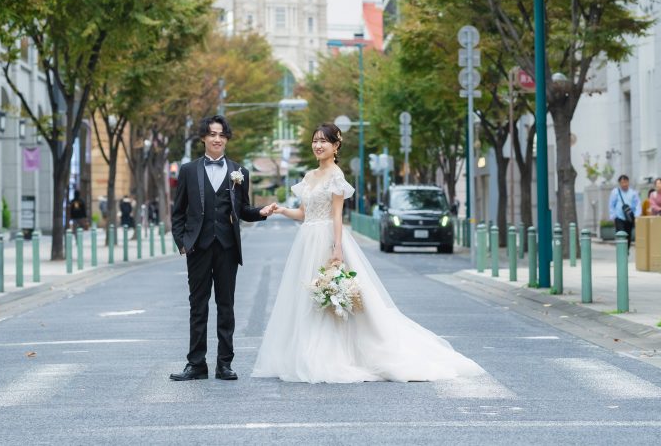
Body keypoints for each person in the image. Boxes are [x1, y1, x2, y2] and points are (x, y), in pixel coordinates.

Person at [252, 123, 483, 383]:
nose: (318, 145)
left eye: (324, 141)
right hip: (306, 241)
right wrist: (282, 210)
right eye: (315, 141)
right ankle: (307, 351)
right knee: (309, 298)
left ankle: (334, 354)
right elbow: (304, 215)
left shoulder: (336, 176)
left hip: (328, 238)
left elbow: (337, 214)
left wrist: (337, 247)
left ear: (336, 145)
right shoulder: (308, 176)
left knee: (333, 297)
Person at [169, 115, 272, 382]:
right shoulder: (189, 171)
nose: (217, 139)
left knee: (226, 306)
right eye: (212, 134)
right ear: (203, 137)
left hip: (227, 247)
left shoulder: (240, 172)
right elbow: (178, 211)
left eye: (222, 135)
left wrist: (261, 212)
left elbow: (243, 210)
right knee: (198, 306)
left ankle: (224, 364)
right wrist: (182, 243)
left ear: (226, 139)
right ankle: (196, 364)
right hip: (198, 248)